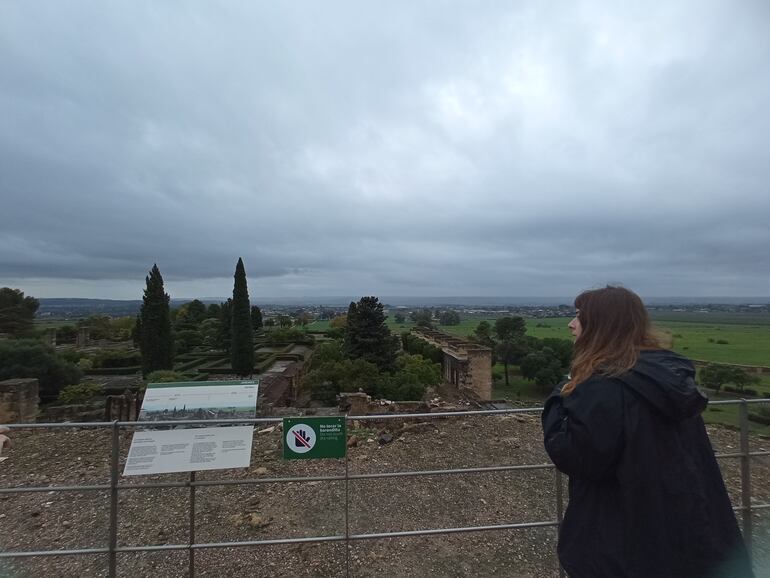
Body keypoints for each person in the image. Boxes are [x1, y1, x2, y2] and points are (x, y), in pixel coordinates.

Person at [541, 285, 753, 578]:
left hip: (623, 539)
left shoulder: (604, 386)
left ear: (603, 326)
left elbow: (576, 456)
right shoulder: (664, 375)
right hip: (685, 527)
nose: (571, 324)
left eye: (578, 316)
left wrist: (559, 395)